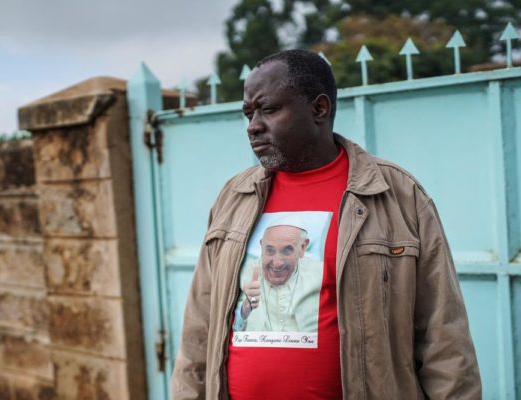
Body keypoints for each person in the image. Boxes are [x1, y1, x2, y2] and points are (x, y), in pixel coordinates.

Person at [171, 49, 481, 399]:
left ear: (319, 109)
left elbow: (444, 337)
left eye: (269, 110)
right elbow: (198, 330)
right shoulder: (234, 197)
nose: (253, 126)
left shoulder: (398, 195)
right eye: (248, 113)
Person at [233, 217, 323, 333]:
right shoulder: (248, 269)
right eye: (270, 251)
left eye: (287, 251)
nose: (277, 263)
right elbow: (233, 327)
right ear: (261, 246)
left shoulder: (320, 272)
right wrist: (246, 308)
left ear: (302, 247)